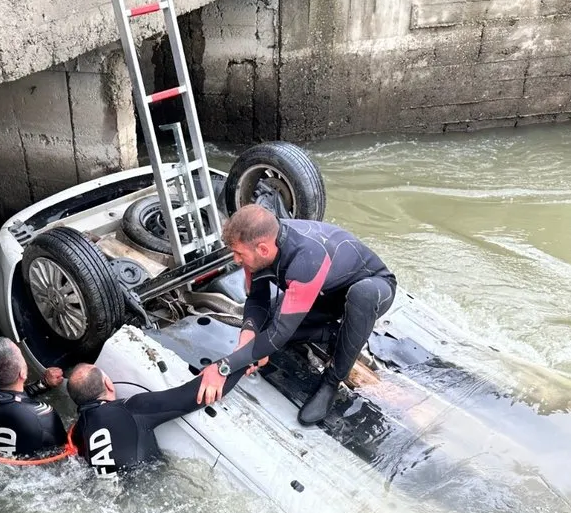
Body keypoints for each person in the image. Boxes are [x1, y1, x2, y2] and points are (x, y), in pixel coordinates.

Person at [197, 204, 397, 425]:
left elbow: (278, 334)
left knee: (362, 295)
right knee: (264, 326)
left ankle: (331, 381)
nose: (235, 260)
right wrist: (246, 340)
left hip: (372, 288)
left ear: (263, 249)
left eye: (239, 254)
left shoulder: (306, 259)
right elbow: (256, 299)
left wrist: (224, 367)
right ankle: (332, 335)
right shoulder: (258, 246)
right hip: (321, 294)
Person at [66, 361, 249, 480]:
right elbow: (193, 396)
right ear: (108, 384)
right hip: (148, 494)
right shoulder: (131, 408)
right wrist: (238, 364)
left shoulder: (76, 434)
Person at [0, 337, 67, 457]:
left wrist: (43, 384)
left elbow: (11, 397)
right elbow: (66, 454)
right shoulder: (43, 415)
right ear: (22, 373)